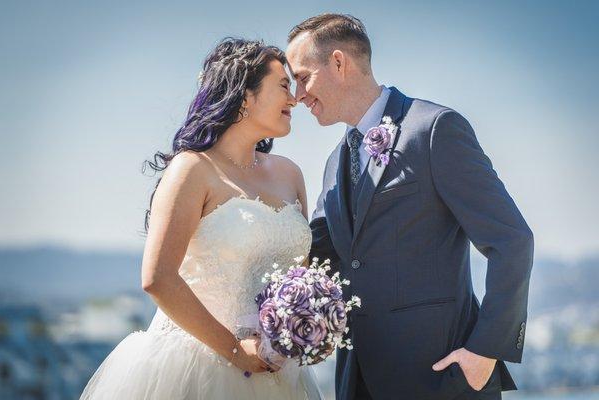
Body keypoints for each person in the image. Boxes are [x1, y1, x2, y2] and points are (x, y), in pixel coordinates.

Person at [286, 13, 534, 400]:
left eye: (303, 77)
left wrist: (486, 351)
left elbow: (512, 240)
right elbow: (318, 255)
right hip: (357, 381)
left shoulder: (434, 129)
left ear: (338, 63)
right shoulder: (336, 161)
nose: (298, 95)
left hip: (441, 380)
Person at [80, 37, 323, 400]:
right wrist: (238, 352)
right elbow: (158, 279)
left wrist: (312, 327)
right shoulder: (192, 170)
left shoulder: (290, 173)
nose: (294, 100)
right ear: (244, 96)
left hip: (279, 373)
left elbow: (301, 279)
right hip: (199, 368)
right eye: (283, 86)